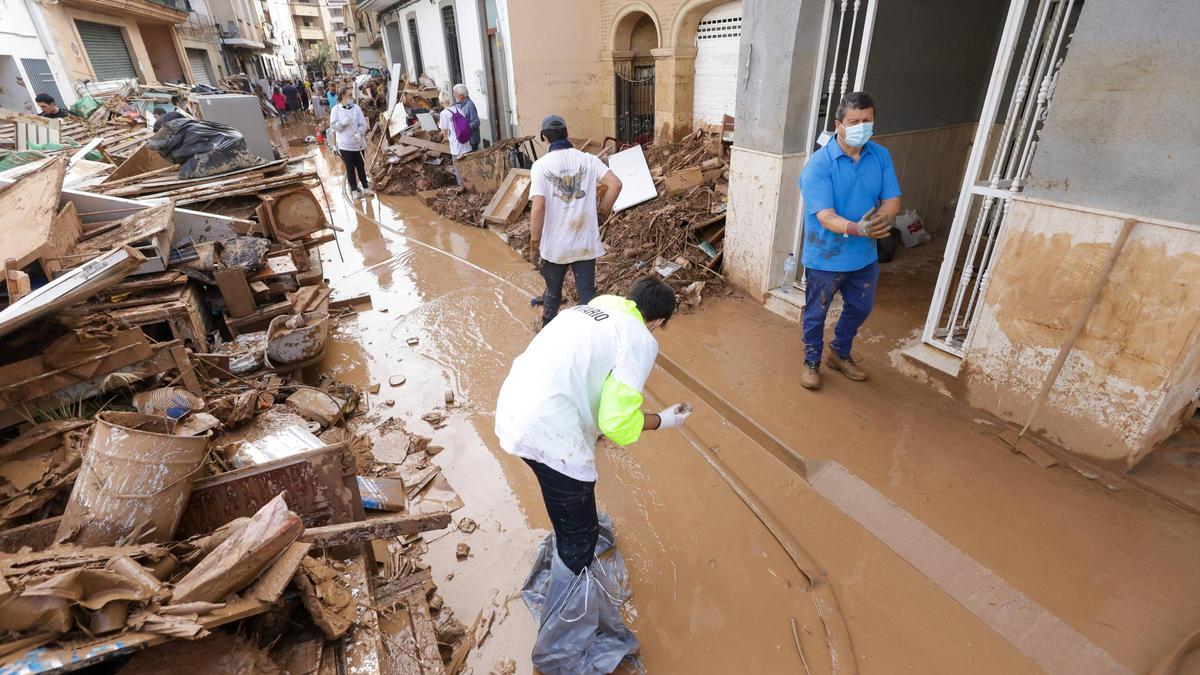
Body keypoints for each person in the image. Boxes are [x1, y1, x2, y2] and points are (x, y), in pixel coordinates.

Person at [495, 275, 691, 578]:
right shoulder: (639, 338)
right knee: (579, 536)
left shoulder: (590, 310)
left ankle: (567, 539)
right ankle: (568, 616)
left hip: (513, 410)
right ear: (657, 321)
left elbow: (590, 379)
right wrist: (663, 420)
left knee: (564, 504)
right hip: (548, 431)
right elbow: (617, 424)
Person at [797, 91, 901, 390]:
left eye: (867, 120)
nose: (861, 126)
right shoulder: (820, 165)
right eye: (854, 121)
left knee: (860, 307)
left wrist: (877, 222)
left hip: (864, 257)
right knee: (817, 312)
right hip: (825, 255)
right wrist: (859, 228)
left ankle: (840, 353)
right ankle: (812, 359)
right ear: (839, 124)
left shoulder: (880, 156)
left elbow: (892, 200)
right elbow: (826, 216)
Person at [528, 114, 623, 326]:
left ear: (544, 137)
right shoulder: (588, 159)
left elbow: (538, 207)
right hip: (584, 242)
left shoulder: (540, 166)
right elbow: (616, 184)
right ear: (567, 134)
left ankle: (547, 332)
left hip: (555, 246)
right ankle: (590, 334)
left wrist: (534, 244)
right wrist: (602, 213)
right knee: (588, 295)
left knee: (553, 292)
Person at [329, 86, 371, 197]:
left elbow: (363, 124)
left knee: (361, 166)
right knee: (350, 168)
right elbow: (333, 128)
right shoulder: (335, 110)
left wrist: (360, 133)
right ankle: (354, 190)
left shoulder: (356, 108)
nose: (351, 97)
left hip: (358, 144)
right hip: (345, 145)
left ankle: (366, 187)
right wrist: (342, 123)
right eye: (349, 95)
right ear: (343, 96)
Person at [451, 83, 481, 151]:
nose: (454, 96)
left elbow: (476, 122)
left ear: (461, 95)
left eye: (455, 95)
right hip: (467, 140)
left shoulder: (469, 105)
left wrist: (464, 128)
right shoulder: (461, 105)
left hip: (472, 140)